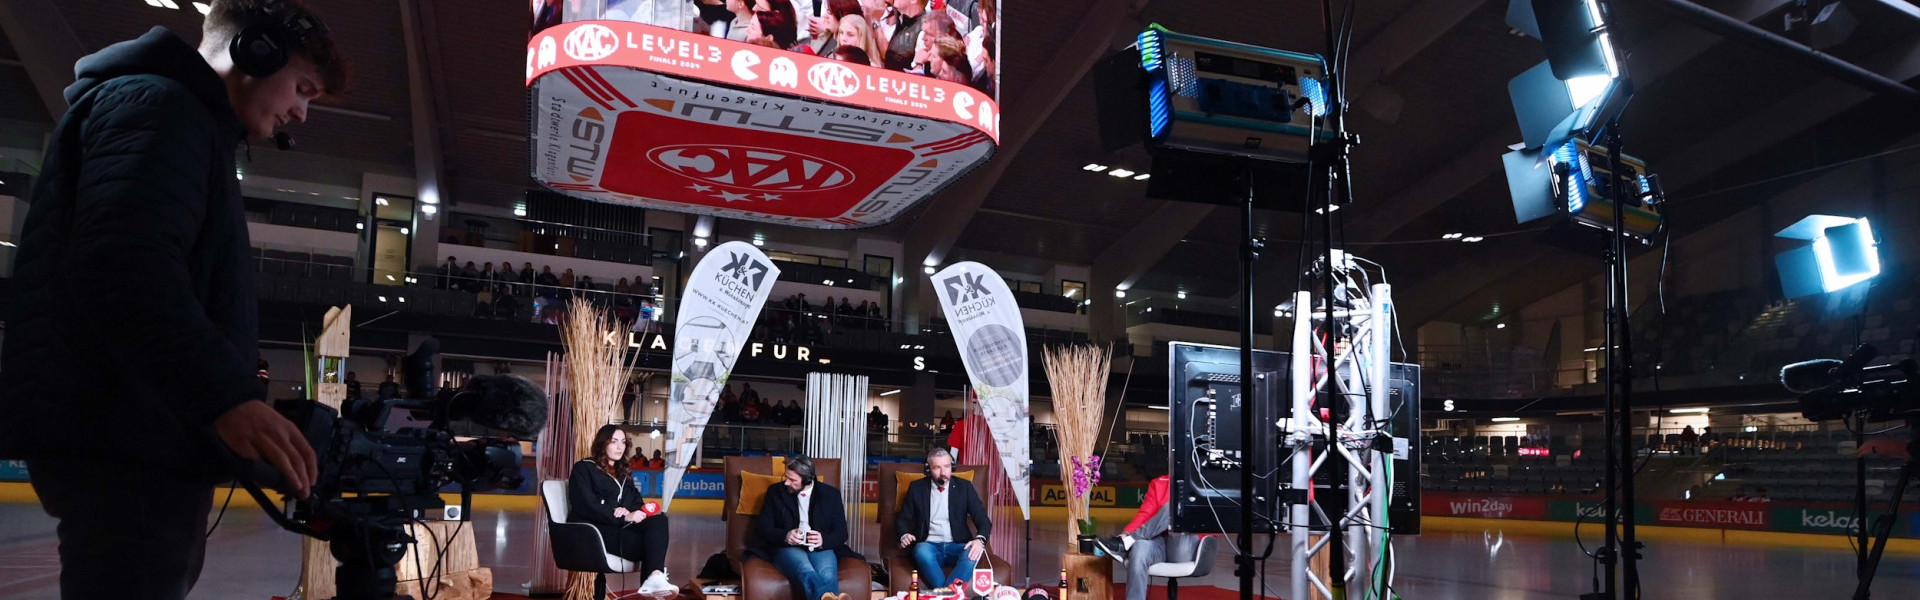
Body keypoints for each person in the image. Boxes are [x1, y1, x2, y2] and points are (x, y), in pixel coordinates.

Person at [0, 1, 346, 597]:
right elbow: (123, 266)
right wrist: (225, 396)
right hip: (127, 433)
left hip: (136, 427)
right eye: (303, 88)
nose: (301, 112)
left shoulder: (175, 117)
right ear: (255, 53)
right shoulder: (160, 108)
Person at [569, 425, 677, 595]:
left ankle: (655, 577)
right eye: (614, 442)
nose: (620, 447)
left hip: (618, 529)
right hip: (594, 532)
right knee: (651, 546)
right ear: (602, 444)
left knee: (659, 519)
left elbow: (637, 502)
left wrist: (627, 511)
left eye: (623, 442)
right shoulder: (584, 468)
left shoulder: (623, 473)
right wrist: (619, 515)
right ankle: (652, 582)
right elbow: (585, 505)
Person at [752, 455, 856, 600]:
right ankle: (825, 597)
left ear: (807, 480)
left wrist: (823, 540)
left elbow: (842, 532)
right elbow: (763, 528)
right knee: (805, 569)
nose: (786, 482)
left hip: (820, 548)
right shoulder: (775, 492)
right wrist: (786, 535)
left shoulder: (830, 495)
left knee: (827, 575)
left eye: (793, 480)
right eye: (786, 477)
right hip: (786, 547)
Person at [1093, 475, 1202, 600]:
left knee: (1176, 505)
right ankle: (1127, 541)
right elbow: (1145, 515)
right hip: (1161, 542)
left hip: (1187, 545)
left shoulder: (1205, 483)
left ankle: (1126, 543)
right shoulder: (1159, 483)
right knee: (1140, 547)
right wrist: (1127, 532)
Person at [896, 449, 991, 590]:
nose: (943, 472)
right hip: (928, 545)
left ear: (952, 467)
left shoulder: (965, 487)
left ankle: (944, 595)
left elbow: (983, 520)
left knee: (973, 553)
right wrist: (905, 534)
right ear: (928, 469)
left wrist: (979, 540)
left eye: (947, 466)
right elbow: (902, 518)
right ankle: (952, 595)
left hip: (958, 545)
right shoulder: (916, 488)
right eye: (937, 467)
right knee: (921, 552)